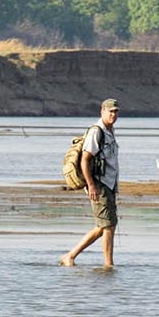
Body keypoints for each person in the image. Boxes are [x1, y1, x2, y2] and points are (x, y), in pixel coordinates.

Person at [60, 99, 120, 267]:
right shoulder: (96, 132)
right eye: (110, 111)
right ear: (102, 111)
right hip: (99, 185)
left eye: (116, 112)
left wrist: (115, 188)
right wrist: (91, 185)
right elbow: (85, 160)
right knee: (108, 226)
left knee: (105, 226)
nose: (113, 115)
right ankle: (109, 265)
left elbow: (111, 163)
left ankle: (70, 255)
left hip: (108, 185)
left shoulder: (110, 131)